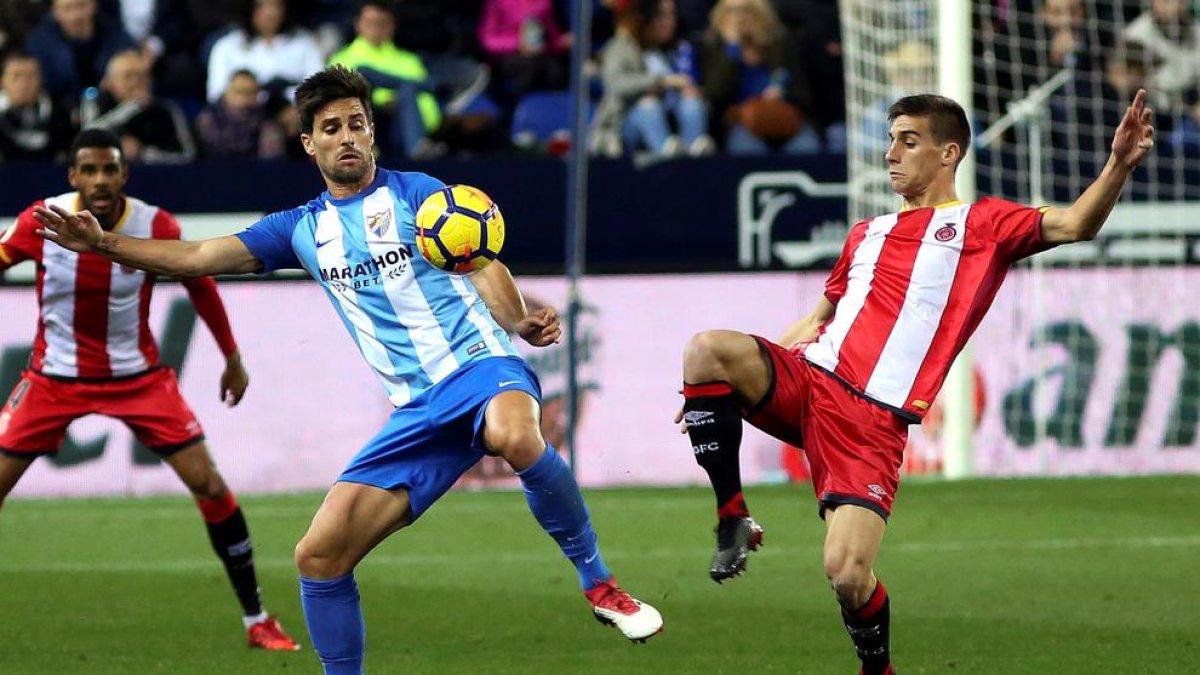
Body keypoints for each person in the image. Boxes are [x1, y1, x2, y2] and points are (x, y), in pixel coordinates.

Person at [33, 65, 664, 675]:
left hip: (480, 366)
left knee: (516, 434)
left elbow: (479, 258)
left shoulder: (416, 194)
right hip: (416, 411)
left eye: (357, 124)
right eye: (331, 128)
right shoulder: (300, 229)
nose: (347, 138)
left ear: (371, 132)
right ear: (308, 143)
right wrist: (106, 243)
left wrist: (516, 321)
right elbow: (198, 255)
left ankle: (600, 584)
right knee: (319, 556)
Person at [675, 91, 1155, 674]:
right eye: (891, 139)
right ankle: (732, 516)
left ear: (948, 152)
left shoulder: (984, 224)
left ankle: (878, 669)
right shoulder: (865, 233)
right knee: (706, 349)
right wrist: (716, 384)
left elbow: (1077, 222)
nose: (890, 154)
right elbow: (821, 319)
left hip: (872, 419)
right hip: (811, 379)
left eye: (908, 140)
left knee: (848, 575)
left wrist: (1119, 164)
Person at [0, 127, 300, 652]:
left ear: (123, 174)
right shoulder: (41, 221)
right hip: (52, 380)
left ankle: (257, 618)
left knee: (208, 483)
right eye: (88, 170)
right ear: (72, 176)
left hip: (137, 379)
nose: (99, 180)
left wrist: (232, 357)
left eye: (109, 169)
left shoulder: (153, 224)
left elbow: (200, 285)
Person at [80, 49, 197, 164]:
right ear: (110, 82)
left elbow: (187, 156)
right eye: (128, 76)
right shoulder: (95, 102)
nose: (137, 82)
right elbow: (87, 138)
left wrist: (143, 153)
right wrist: (131, 108)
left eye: (142, 75)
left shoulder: (166, 110)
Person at [0, 50, 75, 163]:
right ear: (2, 81)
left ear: (41, 79)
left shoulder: (60, 113)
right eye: (17, 76)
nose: (24, 83)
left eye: (31, 76)